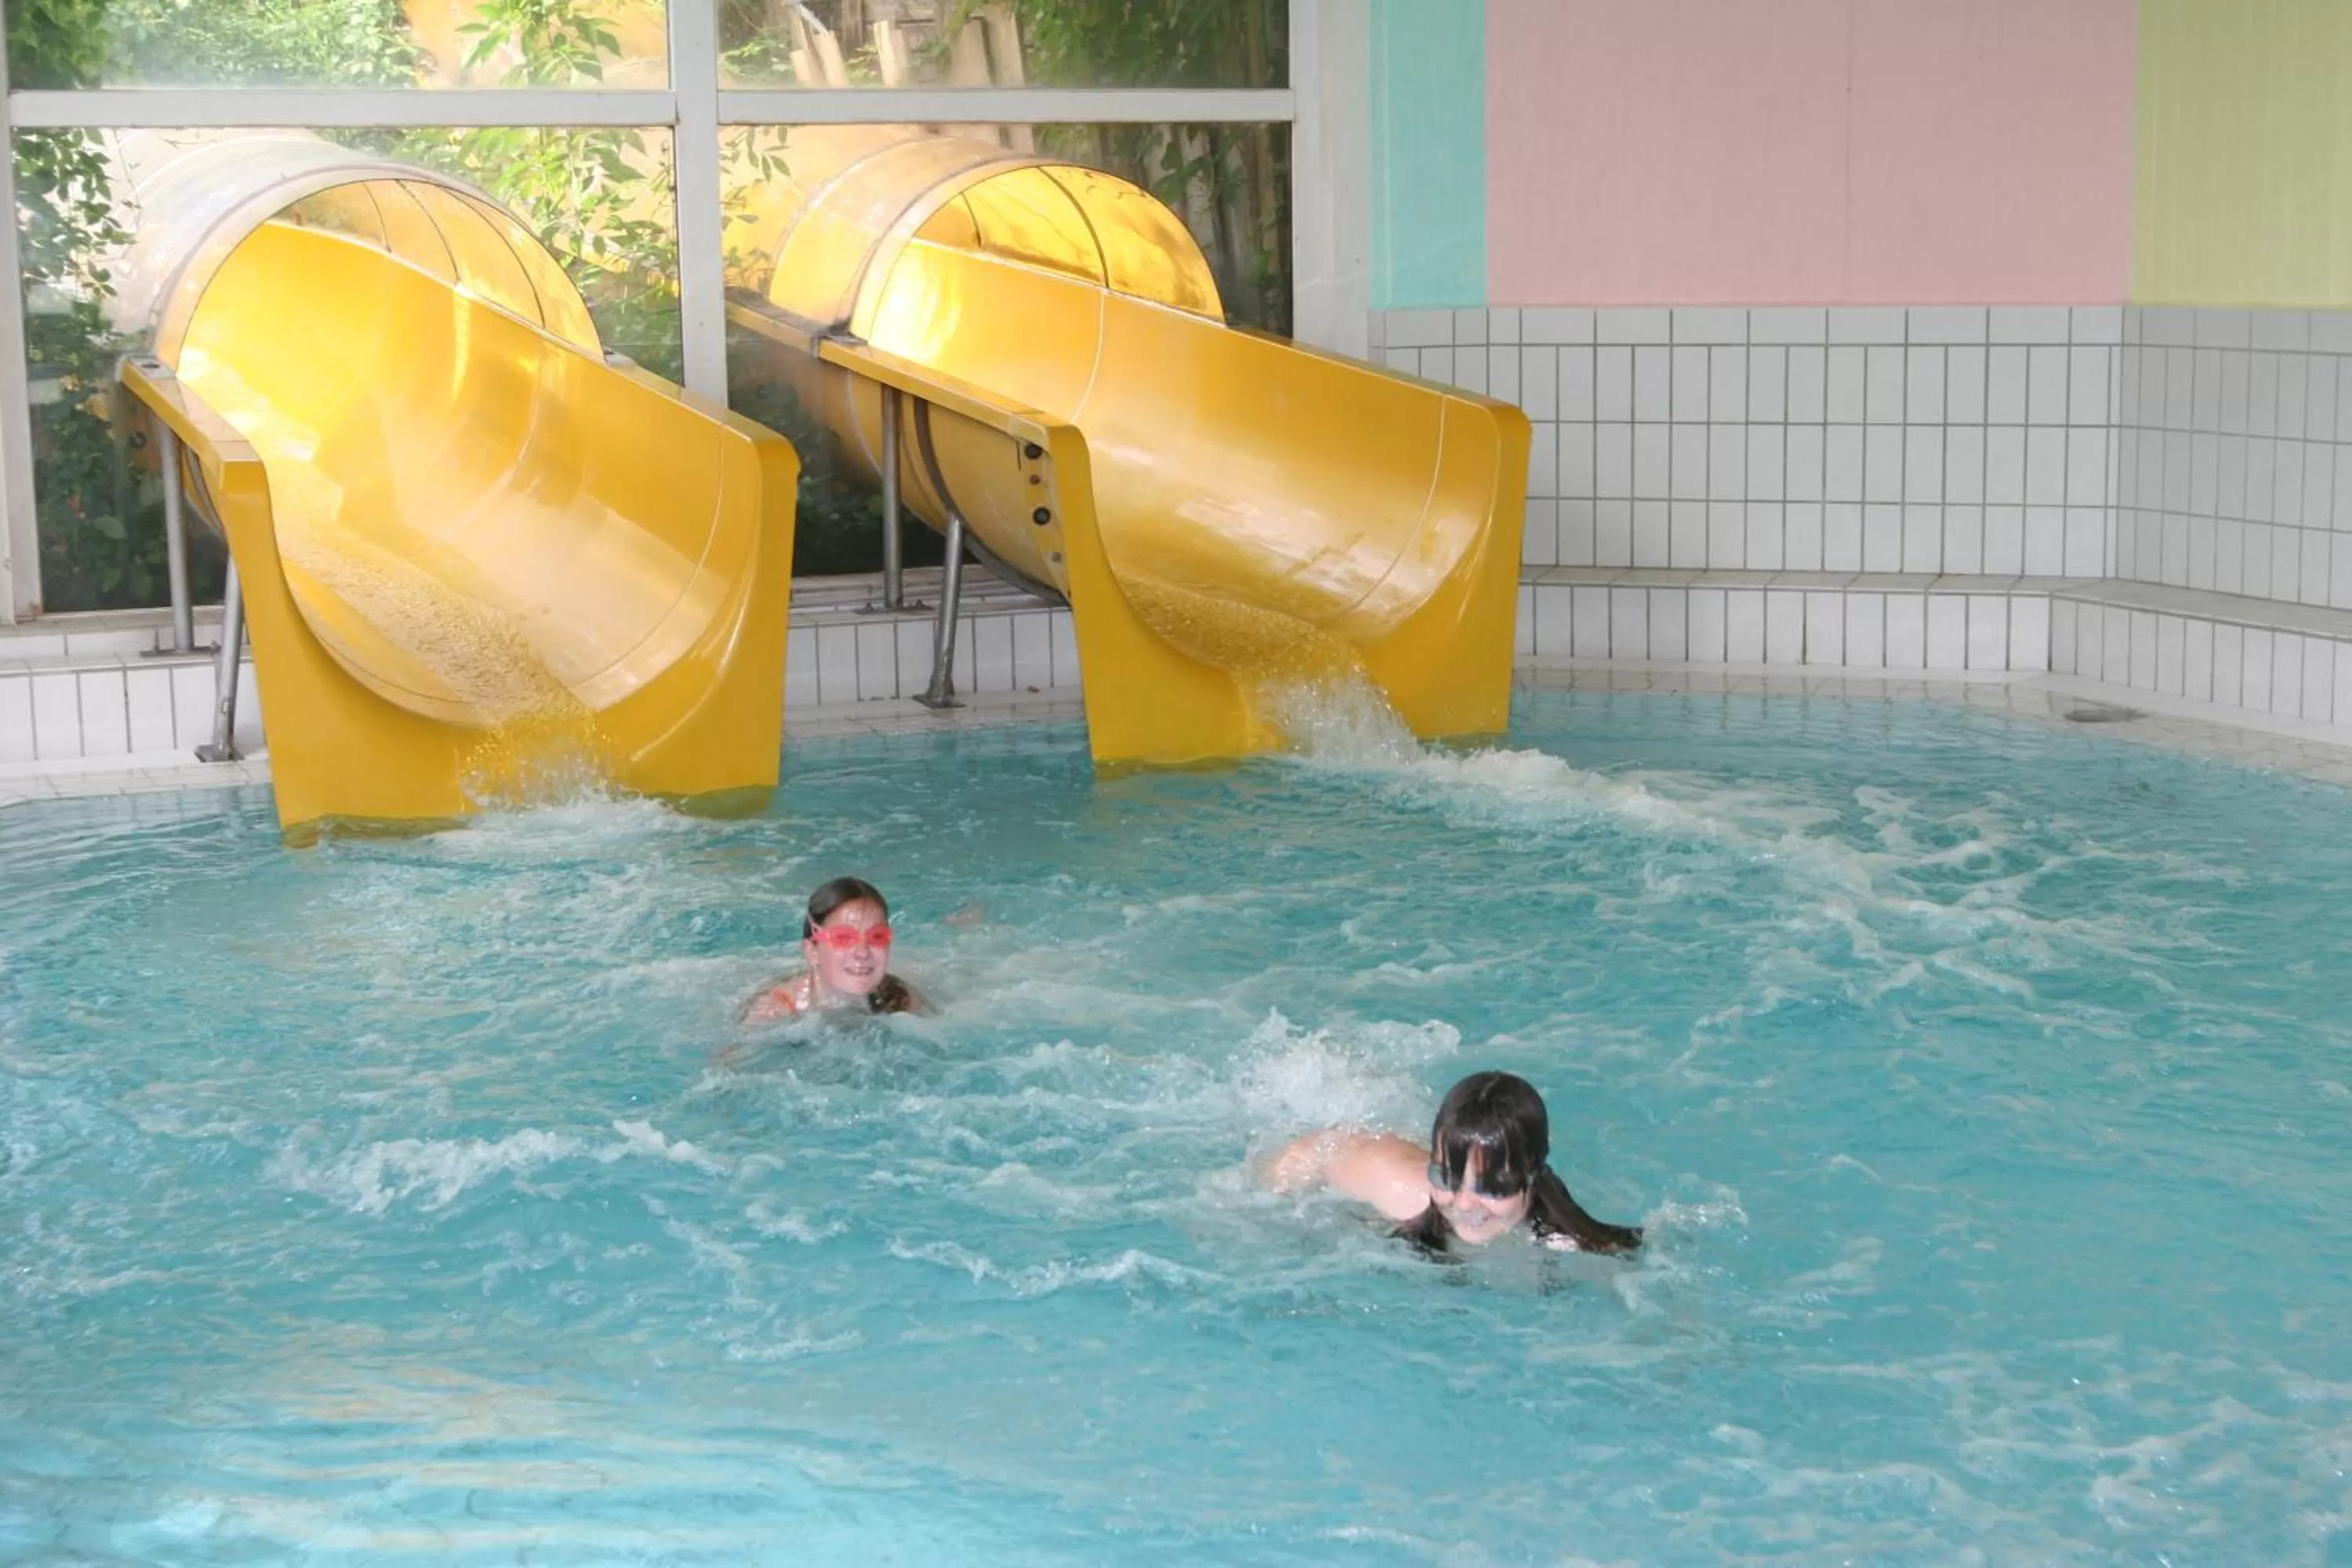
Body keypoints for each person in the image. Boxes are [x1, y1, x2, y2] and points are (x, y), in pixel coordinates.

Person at [1265, 1070, 1642, 1257]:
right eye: (1445, 1177)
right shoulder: (1401, 1192)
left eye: (1492, 1187)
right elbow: (1311, 1151)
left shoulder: (1576, 1243)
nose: (1461, 1204)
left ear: (1532, 1175)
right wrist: (1277, 1200)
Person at [744, 877, 930, 1021]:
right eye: (843, 938)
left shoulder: (899, 998)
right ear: (812, 951)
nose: (862, 952)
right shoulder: (776, 1010)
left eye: (877, 937)